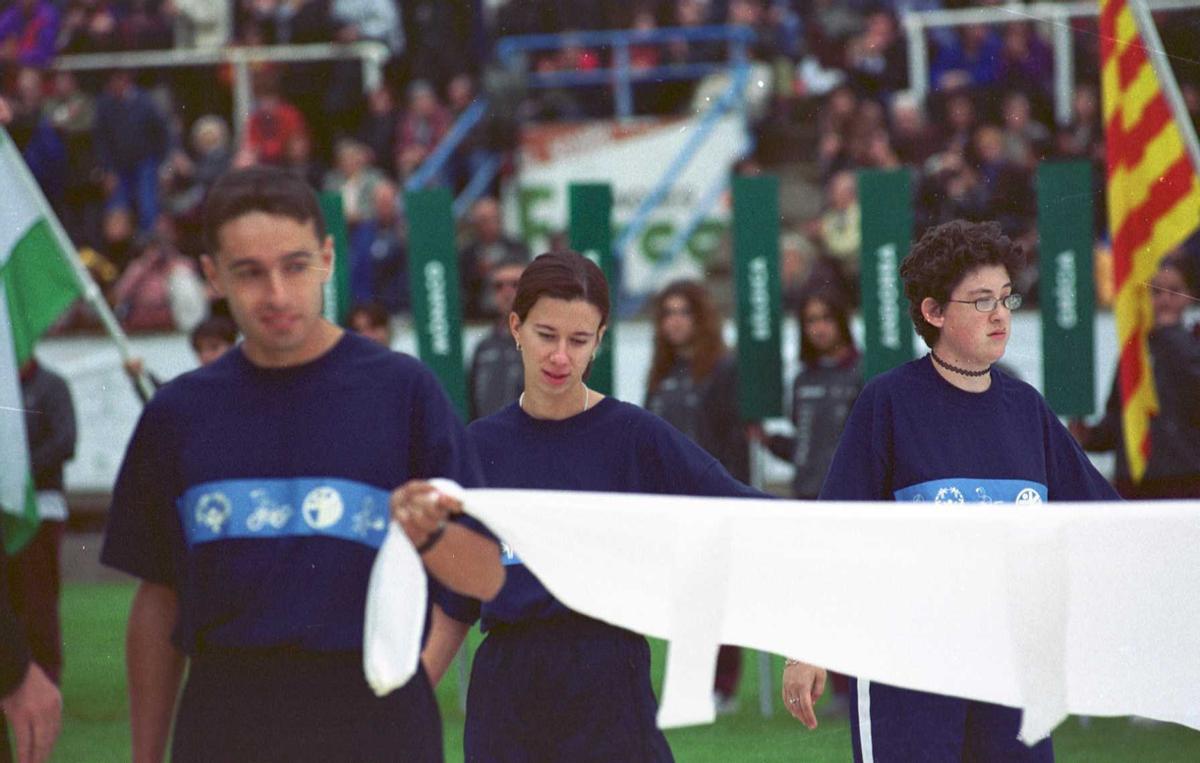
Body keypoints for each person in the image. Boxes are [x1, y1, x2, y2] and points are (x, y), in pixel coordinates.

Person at [100, 165, 504, 763]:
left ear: (327, 258)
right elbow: (158, 600)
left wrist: (433, 539)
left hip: (376, 727)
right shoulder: (178, 413)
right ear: (212, 275)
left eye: (295, 266)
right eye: (250, 273)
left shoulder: (404, 393)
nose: (278, 295)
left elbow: (486, 577)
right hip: (223, 726)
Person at [430, 251, 827, 761]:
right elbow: (455, 604)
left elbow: (746, 520)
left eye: (578, 340)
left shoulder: (636, 438)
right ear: (515, 327)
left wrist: (806, 638)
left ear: (600, 339)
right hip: (507, 700)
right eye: (546, 335)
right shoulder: (477, 449)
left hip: (609, 688)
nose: (560, 357)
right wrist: (396, 714)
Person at [809, 220, 1118, 761]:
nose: (1001, 314)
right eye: (980, 301)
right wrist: (806, 647)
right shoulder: (887, 404)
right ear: (933, 312)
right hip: (907, 670)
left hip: (1013, 670)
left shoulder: (1027, 409)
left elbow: (1106, 521)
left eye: (1005, 298)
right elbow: (832, 533)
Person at [643, 279, 749, 713]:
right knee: (681, 598)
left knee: (718, 597)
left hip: (711, 499)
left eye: (682, 312)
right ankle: (687, 683)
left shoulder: (723, 370)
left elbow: (732, 440)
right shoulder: (660, 376)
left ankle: (722, 685)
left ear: (700, 318)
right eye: (667, 313)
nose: (674, 322)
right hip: (669, 503)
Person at [1070, 253, 1200, 498]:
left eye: (1174, 291)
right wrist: (1089, 436)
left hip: (1188, 480)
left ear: (1189, 296)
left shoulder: (1193, 344)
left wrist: (1171, 333)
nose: (1164, 300)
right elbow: (1118, 420)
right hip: (1137, 483)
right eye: (1156, 292)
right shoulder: (1134, 352)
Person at [4, 359, 76, 693]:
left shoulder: (51, 386)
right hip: (7, 508)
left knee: (38, 596)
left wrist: (20, 473)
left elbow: (65, 441)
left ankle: (46, 678)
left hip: (41, 505)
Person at [123, 314, 239, 404]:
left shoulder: (249, 381)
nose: (206, 356)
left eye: (214, 347)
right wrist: (140, 375)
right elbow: (162, 399)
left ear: (232, 346)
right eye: (199, 350)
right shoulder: (195, 387)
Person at [466, 256, 525, 420]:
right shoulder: (483, 347)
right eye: (498, 286)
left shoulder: (544, 342)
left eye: (515, 284)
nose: (506, 292)